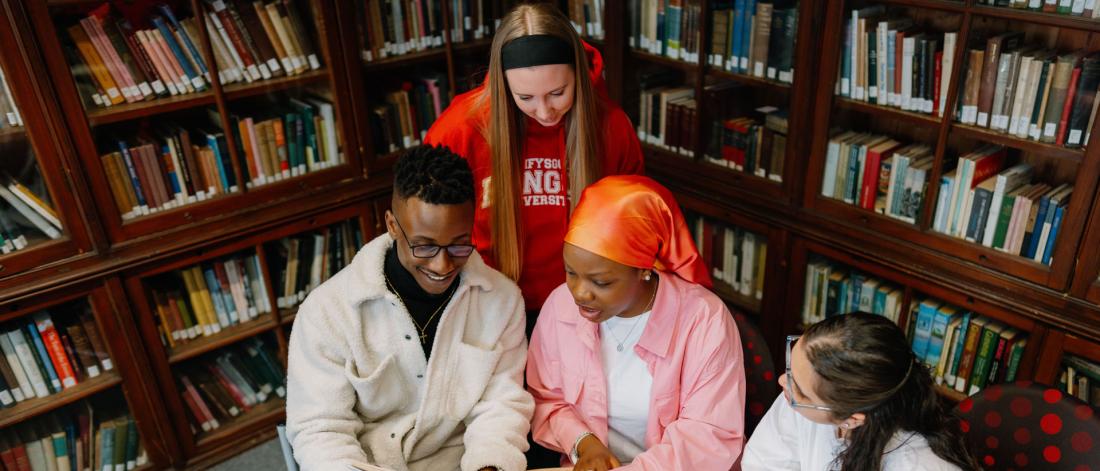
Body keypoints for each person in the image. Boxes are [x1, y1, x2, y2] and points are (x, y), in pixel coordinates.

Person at [285, 145, 533, 471]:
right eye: (425, 246)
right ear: (391, 224)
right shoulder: (326, 312)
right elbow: (321, 430)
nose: (443, 265)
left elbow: (501, 406)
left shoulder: (503, 300)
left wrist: (489, 467)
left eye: (459, 243)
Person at [424, 2, 644, 322]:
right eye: (525, 98)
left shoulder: (611, 127)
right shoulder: (460, 129)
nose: (544, 112)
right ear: (503, 86)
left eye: (557, 92)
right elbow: (428, 228)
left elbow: (633, 227)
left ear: (578, 76)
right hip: (489, 304)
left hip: (583, 305)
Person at [526, 175, 746, 470]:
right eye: (570, 272)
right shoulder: (559, 304)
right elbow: (545, 398)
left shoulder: (704, 321)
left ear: (644, 270)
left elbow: (706, 437)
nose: (579, 293)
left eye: (601, 282)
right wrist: (583, 443)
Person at [742, 312, 980, 471]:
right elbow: (761, 463)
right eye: (790, 368)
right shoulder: (807, 400)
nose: (783, 381)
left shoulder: (918, 465)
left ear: (852, 420)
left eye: (801, 392)